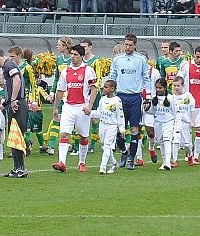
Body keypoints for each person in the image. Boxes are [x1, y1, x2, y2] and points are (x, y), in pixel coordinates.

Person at [51, 44, 98, 172]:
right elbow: (60, 90)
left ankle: (82, 162)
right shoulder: (65, 71)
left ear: (82, 56)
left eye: (76, 55)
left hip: (82, 107)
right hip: (68, 107)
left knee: (83, 136)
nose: (72, 57)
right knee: (64, 133)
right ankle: (62, 162)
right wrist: (55, 108)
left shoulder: (88, 70)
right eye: (71, 54)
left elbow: (94, 89)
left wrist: (89, 106)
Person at [107, 33, 151, 170]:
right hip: (120, 97)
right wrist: (109, 93)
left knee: (134, 129)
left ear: (135, 45)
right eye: (126, 44)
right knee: (118, 129)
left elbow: (146, 77)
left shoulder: (141, 59)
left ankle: (131, 159)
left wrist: (148, 96)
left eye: (130, 45)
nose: (127, 47)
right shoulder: (118, 59)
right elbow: (112, 75)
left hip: (134, 98)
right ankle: (124, 152)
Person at [0, 48, 29, 177]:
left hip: (18, 104)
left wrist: (13, 100)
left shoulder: (8, 65)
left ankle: (21, 168)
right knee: (13, 135)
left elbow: (17, 80)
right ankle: (17, 167)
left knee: (16, 134)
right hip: (14, 103)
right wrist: (5, 104)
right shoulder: (8, 66)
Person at [176, 46, 200, 163]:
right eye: (197, 57)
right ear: (194, 55)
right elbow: (178, 82)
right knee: (186, 130)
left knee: (199, 129)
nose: (199, 59)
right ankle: (188, 152)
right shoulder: (185, 66)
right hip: (186, 105)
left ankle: (196, 155)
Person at [91, 78, 124, 175]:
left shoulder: (117, 101)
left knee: (107, 146)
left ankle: (103, 167)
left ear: (112, 89)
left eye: (106, 87)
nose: (104, 89)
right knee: (105, 146)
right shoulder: (102, 100)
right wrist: (89, 113)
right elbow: (99, 112)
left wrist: (121, 129)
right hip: (103, 125)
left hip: (112, 126)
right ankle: (114, 163)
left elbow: (120, 115)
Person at [145, 78, 176, 171]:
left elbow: (175, 113)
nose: (158, 90)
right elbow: (152, 112)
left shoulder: (171, 98)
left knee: (167, 139)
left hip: (168, 121)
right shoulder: (154, 99)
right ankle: (164, 162)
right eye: (157, 88)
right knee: (161, 141)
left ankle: (168, 162)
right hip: (158, 122)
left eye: (160, 88)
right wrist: (147, 109)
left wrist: (176, 125)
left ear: (165, 88)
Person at [172, 76, 196, 165]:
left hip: (185, 123)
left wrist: (192, 121)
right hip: (175, 123)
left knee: (187, 144)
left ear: (183, 85)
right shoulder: (172, 97)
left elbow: (192, 109)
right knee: (174, 141)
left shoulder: (188, 96)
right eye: (174, 86)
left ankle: (190, 154)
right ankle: (174, 161)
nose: (176, 88)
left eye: (178, 85)